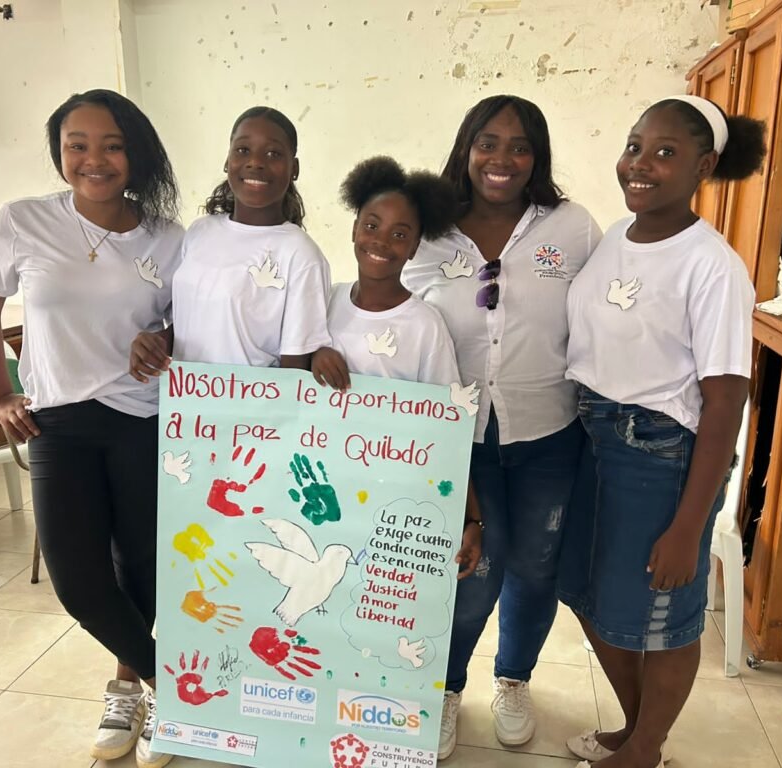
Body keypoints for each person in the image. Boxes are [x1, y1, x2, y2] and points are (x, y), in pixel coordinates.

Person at [0, 89, 182, 768]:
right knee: (78, 580)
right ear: (59, 152)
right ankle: (174, 689)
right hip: (56, 422)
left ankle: (128, 686)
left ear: (135, 153)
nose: (95, 159)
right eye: (77, 145)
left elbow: (189, 321)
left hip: (142, 419)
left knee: (139, 567)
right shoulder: (22, 221)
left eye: (112, 145)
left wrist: (164, 338)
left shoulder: (167, 238)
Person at [560, 95, 766, 768]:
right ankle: (635, 728)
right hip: (590, 435)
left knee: (661, 618)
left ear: (704, 166)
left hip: (657, 453)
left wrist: (688, 526)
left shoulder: (712, 266)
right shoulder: (616, 236)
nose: (640, 164)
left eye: (665, 153)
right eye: (634, 147)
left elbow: (726, 401)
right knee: (585, 592)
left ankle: (645, 748)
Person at [401, 95, 602, 760]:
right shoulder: (427, 229)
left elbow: (604, 315)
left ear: (537, 157)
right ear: (466, 148)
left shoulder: (571, 227)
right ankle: (446, 686)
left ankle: (514, 679)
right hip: (457, 441)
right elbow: (389, 310)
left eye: (520, 146)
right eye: (488, 142)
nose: (503, 159)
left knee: (536, 566)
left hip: (550, 433)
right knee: (471, 570)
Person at [309, 155, 482, 579]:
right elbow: (287, 374)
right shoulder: (323, 302)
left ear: (415, 247)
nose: (381, 242)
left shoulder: (424, 325)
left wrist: (470, 519)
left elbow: (448, 427)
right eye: (372, 225)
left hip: (391, 501)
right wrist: (314, 354)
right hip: (321, 489)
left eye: (400, 234)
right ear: (354, 228)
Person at [129, 106, 330, 381]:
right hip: (187, 403)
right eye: (243, 150)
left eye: (273, 154)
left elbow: (295, 368)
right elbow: (193, 322)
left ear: (294, 169)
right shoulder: (200, 231)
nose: (255, 162)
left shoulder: (301, 254)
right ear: (227, 161)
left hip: (251, 407)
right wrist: (158, 343)